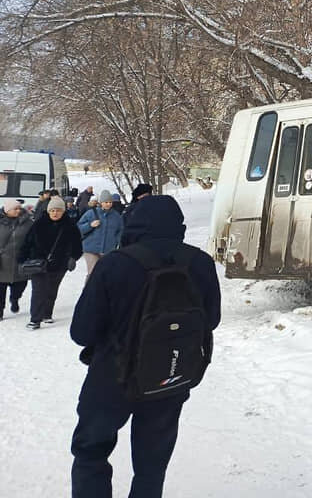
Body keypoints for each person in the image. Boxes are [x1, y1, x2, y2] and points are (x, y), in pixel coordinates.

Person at [70, 195, 221, 497]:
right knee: (152, 464)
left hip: (111, 377)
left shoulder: (115, 264)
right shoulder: (200, 262)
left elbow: (82, 331)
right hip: (170, 374)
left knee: (91, 452)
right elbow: (212, 319)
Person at [18, 196, 83, 329]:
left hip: (60, 264)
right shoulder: (38, 224)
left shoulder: (70, 226)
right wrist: (21, 259)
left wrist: (73, 258)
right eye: (52, 210)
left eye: (58, 210)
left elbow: (77, 245)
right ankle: (35, 319)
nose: (55, 213)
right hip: (39, 263)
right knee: (38, 291)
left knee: (52, 290)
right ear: (48, 211)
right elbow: (27, 242)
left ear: (63, 211)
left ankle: (47, 314)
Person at [77, 190, 124, 278]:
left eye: (110, 202)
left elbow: (120, 230)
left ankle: (104, 291)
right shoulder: (90, 213)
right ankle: (89, 291)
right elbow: (78, 228)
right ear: (101, 202)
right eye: (106, 202)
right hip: (91, 249)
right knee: (93, 274)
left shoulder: (116, 216)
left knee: (106, 274)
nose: (108, 204)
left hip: (108, 249)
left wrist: (117, 242)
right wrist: (90, 225)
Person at [0, 200, 32, 320]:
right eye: (15, 209)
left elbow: (33, 238)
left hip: (20, 260)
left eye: (19, 208)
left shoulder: (28, 222)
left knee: (20, 285)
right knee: (0, 288)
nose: (18, 211)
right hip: (2, 261)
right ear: (7, 210)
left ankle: (15, 299)